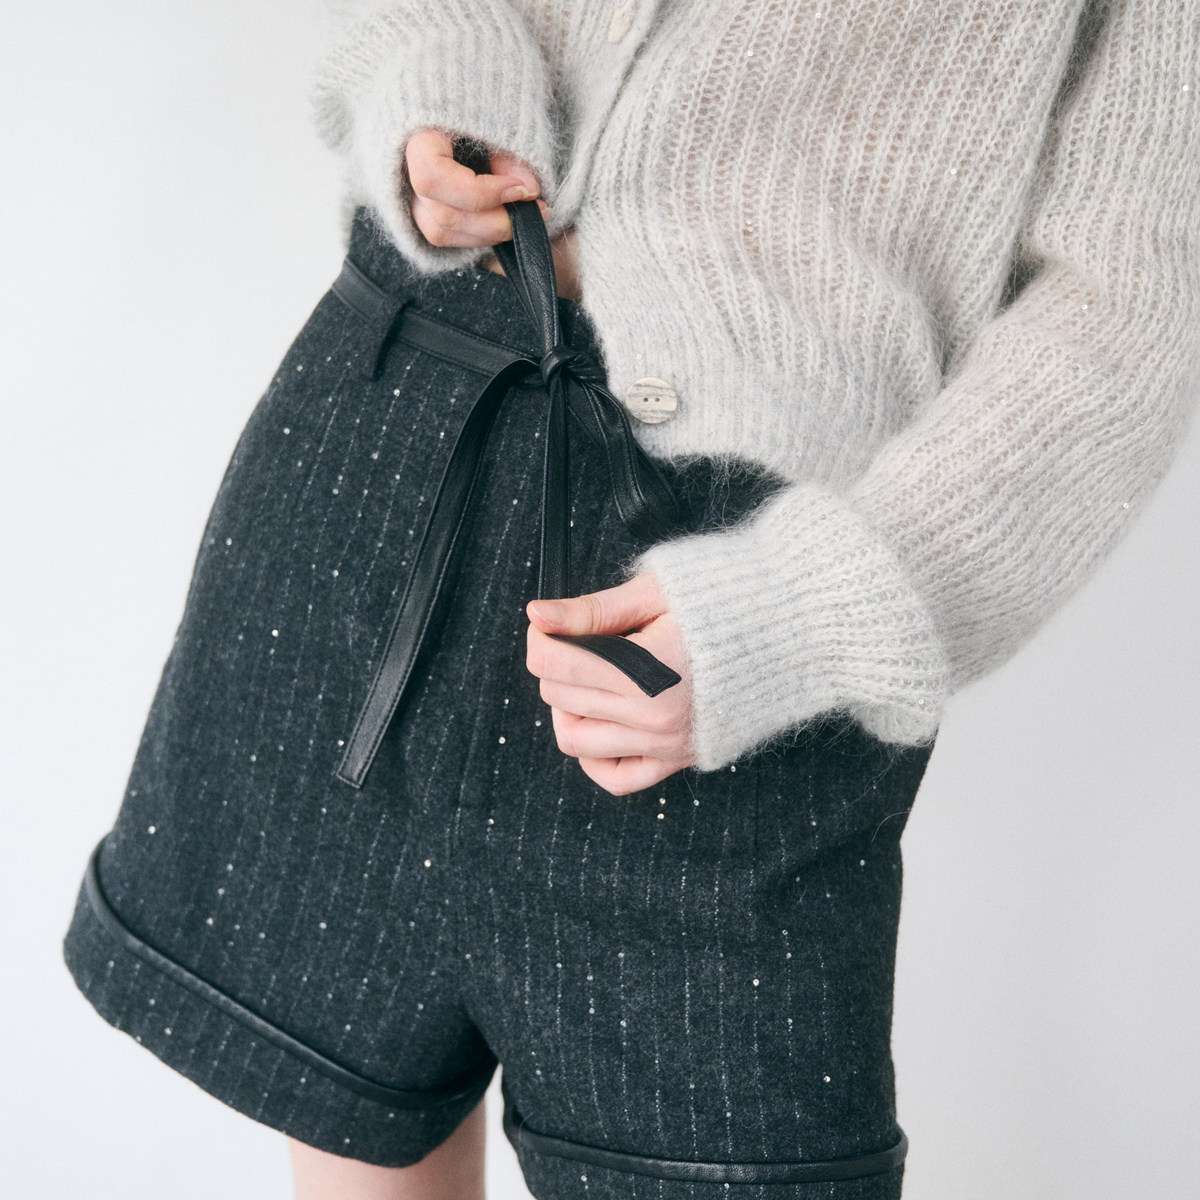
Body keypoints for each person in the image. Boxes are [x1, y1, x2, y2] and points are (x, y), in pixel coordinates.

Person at [62, 3, 1199, 1198]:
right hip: (394, 454)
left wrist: (817, 610)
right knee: (354, 1117)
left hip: (742, 633)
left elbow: (1129, 307)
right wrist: (439, 81)